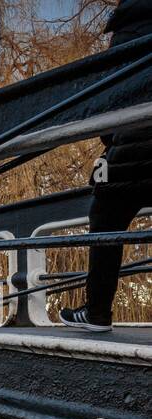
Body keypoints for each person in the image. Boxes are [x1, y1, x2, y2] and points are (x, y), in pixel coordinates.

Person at [60, 0, 152, 332]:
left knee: (106, 214)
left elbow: (108, 100)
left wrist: (112, 138)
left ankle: (97, 311)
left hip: (132, 147)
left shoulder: (127, 32)